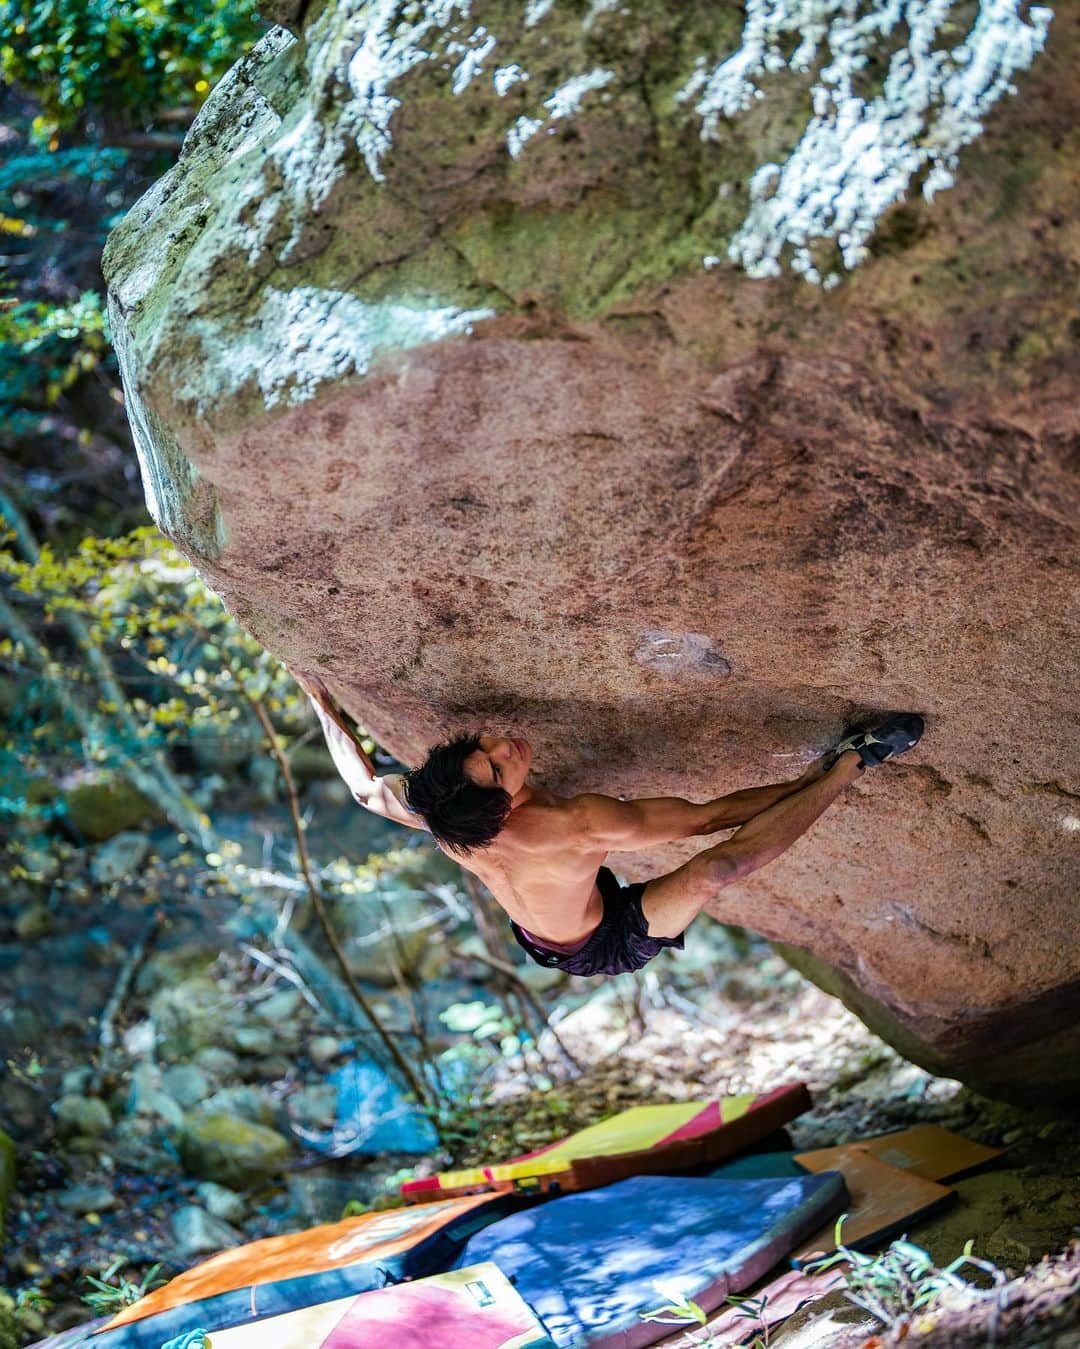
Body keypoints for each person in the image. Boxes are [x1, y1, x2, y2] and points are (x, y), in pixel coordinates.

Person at [293, 672, 922, 978]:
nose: (507, 747)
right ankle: (856, 761)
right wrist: (811, 783)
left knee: (712, 861)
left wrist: (316, 696)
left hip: (550, 916)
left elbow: (365, 787)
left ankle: (841, 767)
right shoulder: (575, 824)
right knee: (718, 870)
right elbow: (717, 817)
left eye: (484, 746)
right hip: (601, 945)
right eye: (499, 769)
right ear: (503, 808)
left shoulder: (436, 809)